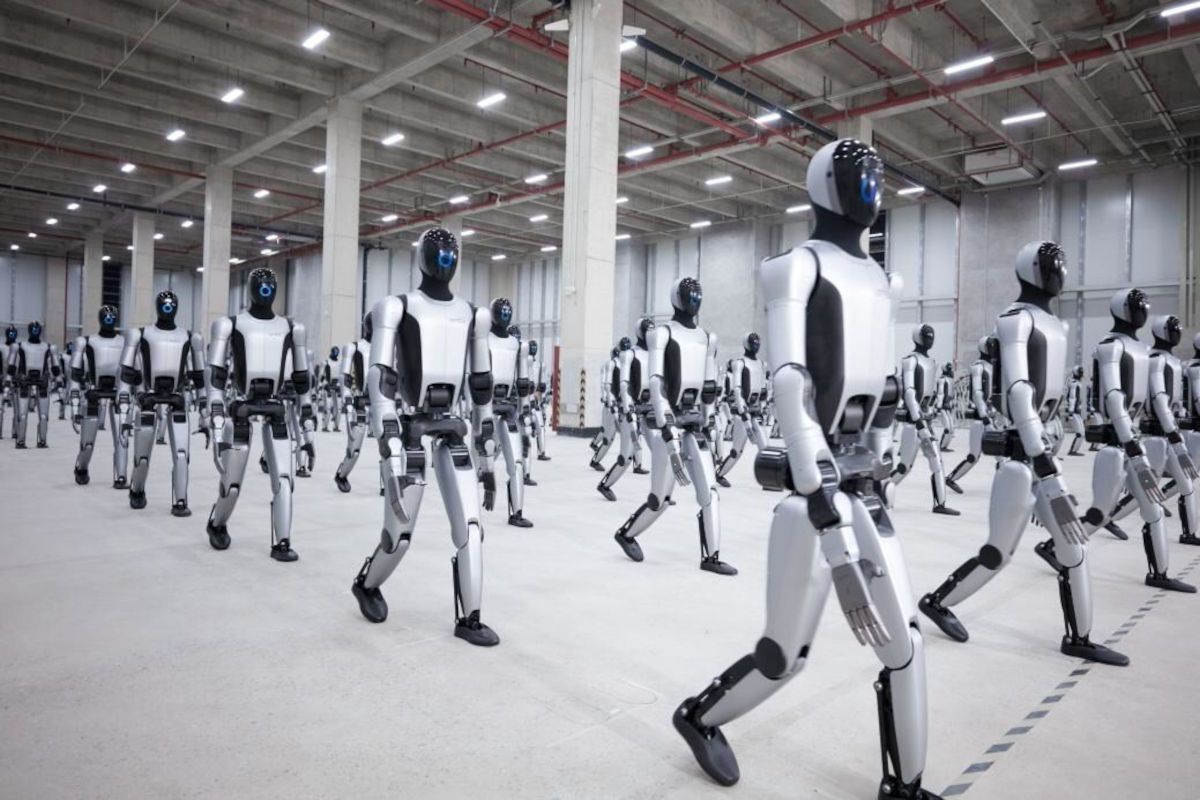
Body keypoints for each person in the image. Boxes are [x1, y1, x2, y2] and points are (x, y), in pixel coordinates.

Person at [673, 138, 940, 798]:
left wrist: (881, 458)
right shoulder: (795, 268)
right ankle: (700, 716)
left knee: (905, 641)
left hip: (861, 483)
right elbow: (790, 383)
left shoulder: (879, 279)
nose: (870, 191)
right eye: (860, 180)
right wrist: (824, 507)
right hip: (813, 496)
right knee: (786, 655)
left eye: (875, 180)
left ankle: (905, 786)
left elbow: (882, 385)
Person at [919, 241, 1127, 666]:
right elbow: (1018, 390)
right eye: (1050, 266)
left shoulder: (1053, 325)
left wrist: (1046, 455)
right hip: (1024, 460)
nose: (1057, 274)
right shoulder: (1016, 319)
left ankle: (1080, 637)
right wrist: (1042, 456)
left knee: (1073, 547)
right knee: (999, 552)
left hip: (1040, 456)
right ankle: (938, 601)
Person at [349, 227, 500, 646]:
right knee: (399, 536)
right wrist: (390, 445)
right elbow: (381, 380)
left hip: (452, 426)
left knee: (472, 528)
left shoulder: (474, 315)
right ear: (424, 257)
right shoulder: (396, 307)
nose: (445, 261)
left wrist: (488, 458)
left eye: (451, 254)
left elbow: (482, 386)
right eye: (440, 254)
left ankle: (470, 618)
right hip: (410, 428)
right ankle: (367, 584)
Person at [1037, 290, 1196, 594]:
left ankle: (1159, 573)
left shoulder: (1142, 351)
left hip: (1134, 445)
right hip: (1118, 447)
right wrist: (1138, 441)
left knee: (1153, 508)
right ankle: (1054, 546)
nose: (1141, 312)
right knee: (1101, 512)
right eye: (1136, 307)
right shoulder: (1111, 347)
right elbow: (1113, 397)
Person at [612, 277, 736, 576]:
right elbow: (656, 383)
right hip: (668, 424)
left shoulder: (707, 338)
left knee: (710, 492)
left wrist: (709, 419)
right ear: (678, 298)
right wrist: (667, 429)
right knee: (661, 499)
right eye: (689, 294)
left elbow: (709, 385)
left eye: (697, 294)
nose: (694, 299)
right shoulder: (662, 334)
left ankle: (711, 556)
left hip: (694, 422)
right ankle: (626, 534)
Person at [205, 268, 314, 561]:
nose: (266, 289)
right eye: (261, 284)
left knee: (285, 480)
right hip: (241, 407)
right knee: (232, 484)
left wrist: (307, 427)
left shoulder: (292, 328)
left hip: (276, 408)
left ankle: (283, 542)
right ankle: (217, 522)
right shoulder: (230, 324)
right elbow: (215, 375)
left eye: (270, 284)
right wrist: (216, 417)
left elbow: (302, 380)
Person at [118, 291, 206, 515]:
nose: (168, 307)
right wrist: (126, 405)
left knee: (182, 455)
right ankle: (137, 489)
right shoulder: (141, 334)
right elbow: (126, 372)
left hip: (177, 398)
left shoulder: (190, 337)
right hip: (148, 397)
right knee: (143, 458)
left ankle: (180, 500)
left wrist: (205, 407)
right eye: (164, 304)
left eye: (171, 304)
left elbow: (199, 376)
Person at [70, 305, 129, 487]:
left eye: (112, 316)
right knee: (88, 443)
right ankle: (81, 467)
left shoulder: (125, 342)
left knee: (122, 438)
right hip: (94, 393)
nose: (109, 319)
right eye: (106, 316)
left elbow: (133, 371)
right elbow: (75, 375)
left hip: (119, 392)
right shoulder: (87, 341)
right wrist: (74, 406)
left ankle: (121, 475)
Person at [7, 321, 58, 449]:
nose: (35, 331)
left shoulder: (48, 347)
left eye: (37, 329)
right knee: (22, 415)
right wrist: (9, 380)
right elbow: (11, 367)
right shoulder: (19, 346)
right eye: (33, 329)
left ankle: (41, 440)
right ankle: (21, 441)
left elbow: (56, 367)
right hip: (24, 381)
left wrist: (58, 379)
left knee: (44, 416)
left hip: (42, 381)